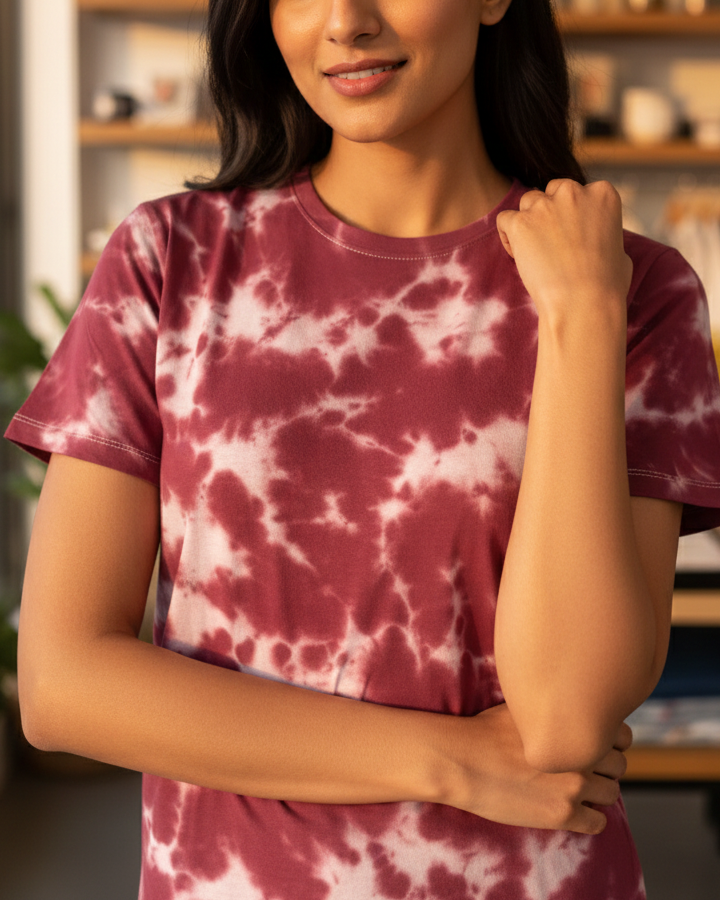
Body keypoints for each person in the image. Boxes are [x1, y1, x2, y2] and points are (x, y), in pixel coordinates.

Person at [6, 0, 720, 897]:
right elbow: (63, 684)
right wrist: (452, 760)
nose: (345, 21)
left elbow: (569, 720)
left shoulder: (632, 291)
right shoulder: (169, 261)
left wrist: (579, 314)